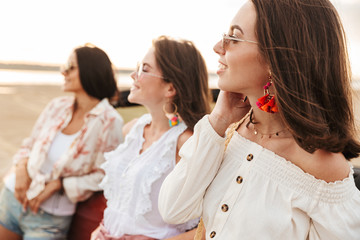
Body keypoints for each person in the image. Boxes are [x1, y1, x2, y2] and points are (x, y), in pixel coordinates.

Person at [158, 0, 360, 239]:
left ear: (277, 57)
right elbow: (173, 210)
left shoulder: (322, 168)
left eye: (234, 37)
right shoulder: (229, 131)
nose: (217, 47)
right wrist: (219, 119)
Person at [90, 35, 211, 240]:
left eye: (144, 69)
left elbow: (212, 225)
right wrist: (99, 229)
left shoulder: (186, 143)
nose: (133, 76)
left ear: (170, 88)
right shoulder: (132, 130)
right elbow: (122, 201)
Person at [0, 44, 124, 240]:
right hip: (12, 198)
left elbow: (104, 176)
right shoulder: (56, 106)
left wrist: (60, 184)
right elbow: (28, 145)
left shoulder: (110, 121)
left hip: (49, 218)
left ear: (90, 71)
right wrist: (21, 168)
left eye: (70, 66)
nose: (63, 71)